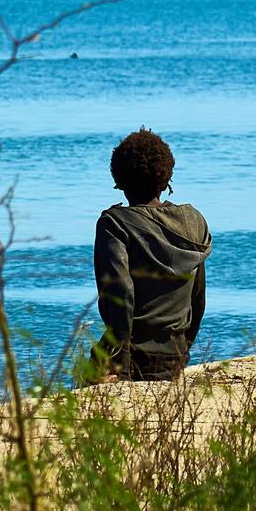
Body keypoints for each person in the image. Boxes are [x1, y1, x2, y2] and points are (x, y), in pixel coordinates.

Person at [93, 128, 211, 381]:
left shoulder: (114, 224)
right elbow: (198, 300)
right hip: (175, 354)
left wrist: (119, 365)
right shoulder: (194, 221)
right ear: (166, 177)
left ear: (118, 179)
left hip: (132, 354)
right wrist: (182, 350)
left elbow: (121, 296)